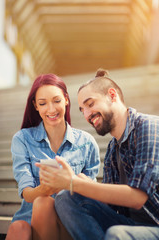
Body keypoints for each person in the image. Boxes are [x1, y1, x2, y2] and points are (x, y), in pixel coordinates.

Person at [37, 69, 159, 240]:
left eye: (90, 104)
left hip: (155, 225)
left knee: (117, 234)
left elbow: (138, 197)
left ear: (112, 95)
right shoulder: (112, 149)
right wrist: (79, 182)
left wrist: (73, 182)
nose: (87, 115)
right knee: (66, 198)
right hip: (130, 224)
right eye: (82, 110)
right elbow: (110, 206)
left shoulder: (149, 127)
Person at [5, 73, 100, 240]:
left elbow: (90, 197)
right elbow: (27, 193)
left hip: (69, 222)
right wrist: (45, 189)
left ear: (66, 99)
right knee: (22, 224)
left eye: (57, 101)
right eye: (43, 103)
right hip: (31, 220)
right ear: (35, 106)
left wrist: (71, 183)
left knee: (45, 202)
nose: (51, 109)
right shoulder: (23, 139)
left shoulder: (86, 142)